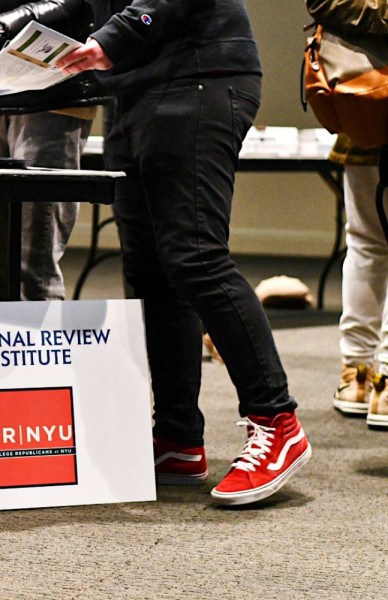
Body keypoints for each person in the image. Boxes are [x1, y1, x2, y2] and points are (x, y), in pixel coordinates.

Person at [55, 0, 311, 505]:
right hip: (134, 89)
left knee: (195, 257)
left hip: (200, 75)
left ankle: (277, 421)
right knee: (150, 270)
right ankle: (177, 437)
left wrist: (112, 38)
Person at [0, 0, 108, 300]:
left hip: (51, 99)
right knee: (6, 263)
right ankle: (12, 343)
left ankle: (41, 344)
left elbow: (78, 4)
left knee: (32, 263)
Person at [305, 0, 388, 430]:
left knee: (367, 245)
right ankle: (371, 379)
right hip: (367, 94)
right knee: (366, 242)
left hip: (365, 92)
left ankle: (362, 378)